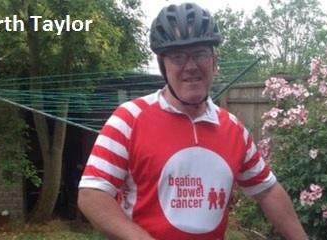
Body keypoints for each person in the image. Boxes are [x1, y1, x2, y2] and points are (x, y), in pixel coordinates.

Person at [77, 2, 307, 240]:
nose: (190, 67)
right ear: (163, 66)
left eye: (200, 54)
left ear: (214, 61)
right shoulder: (129, 118)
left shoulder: (233, 129)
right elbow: (92, 194)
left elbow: (268, 190)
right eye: (178, 57)